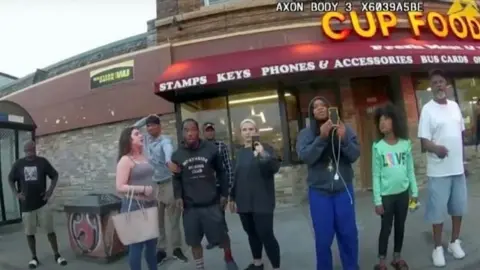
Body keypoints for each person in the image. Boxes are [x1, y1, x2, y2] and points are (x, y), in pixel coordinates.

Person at [296, 96, 360, 270]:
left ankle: (351, 266)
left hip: (343, 190)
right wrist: (322, 138)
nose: (320, 108)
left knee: (348, 234)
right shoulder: (305, 134)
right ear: (311, 113)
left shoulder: (345, 128)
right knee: (323, 237)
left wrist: (344, 139)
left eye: (323, 105)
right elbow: (306, 157)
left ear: (330, 108)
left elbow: (354, 155)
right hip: (319, 193)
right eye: (315, 107)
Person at [171, 119, 238, 270]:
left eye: (193, 129)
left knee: (222, 236)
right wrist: (178, 196)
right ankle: (200, 267)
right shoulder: (177, 155)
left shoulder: (211, 149)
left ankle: (229, 258)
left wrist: (224, 194)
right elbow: (176, 179)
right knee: (194, 241)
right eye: (186, 130)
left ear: (198, 132)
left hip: (211, 203)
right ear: (182, 133)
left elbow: (222, 172)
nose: (190, 133)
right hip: (190, 207)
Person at [418, 70, 467, 267]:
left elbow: (460, 135)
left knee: (458, 209)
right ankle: (437, 247)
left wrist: (463, 160)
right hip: (438, 171)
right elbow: (423, 142)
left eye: (441, 82)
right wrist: (436, 148)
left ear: (446, 85)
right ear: (431, 88)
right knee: (437, 212)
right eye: (435, 83)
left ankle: (454, 242)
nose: (439, 85)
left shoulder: (455, 106)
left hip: (457, 170)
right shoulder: (428, 110)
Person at [133, 114, 187, 263]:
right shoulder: (145, 140)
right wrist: (147, 118)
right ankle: (161, 251)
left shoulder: (165, 140)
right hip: (155, 185)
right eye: (148, 126)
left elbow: (168, 151)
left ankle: (177, 249)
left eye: (152, 125)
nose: (149, 128)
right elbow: (132, 128)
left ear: (159, 126)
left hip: (168, 183)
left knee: (173, 220)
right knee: (158, 222)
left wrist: (169, 161)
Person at [229, 119, 281, 270]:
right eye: (244, 130)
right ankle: (257, 264)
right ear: (240, 133)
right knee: (251, 233)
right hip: (244, 201)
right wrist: (232, 197)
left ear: (257, 131)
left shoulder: (266, 149)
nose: (248, 132)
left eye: (251, 129)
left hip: (262, 201)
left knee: (266, 234)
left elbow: (273, 167)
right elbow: (235, 177)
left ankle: (276, 267)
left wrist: (262, 153)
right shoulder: (239, 153)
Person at [372, 104, 419, 270]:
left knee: (400, 226)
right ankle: (382, 262)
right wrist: (377, 201)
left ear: (395, 121)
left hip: (403, 194)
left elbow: (410, 170)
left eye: (386, 119)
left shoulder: (405, 144)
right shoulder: (378, 147)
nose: (382, 123)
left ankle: (397, 257)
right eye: (380, 120)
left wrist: (414, 192)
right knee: (386, 229)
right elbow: (376, 175)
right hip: (386, 196)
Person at [8, 141, 67, 269]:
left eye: (31, 150)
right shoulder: (19, 164)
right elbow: (10, 179)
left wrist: (49, 191)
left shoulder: (42, 162)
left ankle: (57, 255)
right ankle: (34, 258)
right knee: (30, 233)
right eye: (27, 150)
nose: (29, 153)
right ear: (24, 151)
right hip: (27, 206)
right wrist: (16, 194)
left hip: (42, 204)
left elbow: (55, 175)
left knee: (50, 230)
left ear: (35, 149)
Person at [115, 127, 158, 270]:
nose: (141, 135)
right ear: (129, 139)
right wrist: (143, 189)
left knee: (152, 246)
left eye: (140, 133)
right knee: (136, 248)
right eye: (137, 134)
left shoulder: (144, 157)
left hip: (150, 206)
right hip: (134, 207)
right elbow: (120, 186)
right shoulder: (125, 160)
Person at [202, 122, 234, 250]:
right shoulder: (200, 147)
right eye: (207, 130)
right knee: (208, 215)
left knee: (219, 213)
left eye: (211, 130)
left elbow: (228, 166)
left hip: (220, 186)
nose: (210, 132)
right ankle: (212, 239)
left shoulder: (221, 146)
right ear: (203, 133)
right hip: (205, 187)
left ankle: (223, 238)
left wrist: (230, 185)